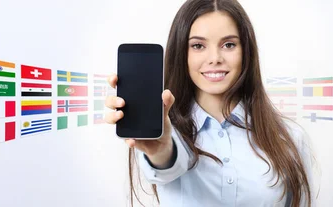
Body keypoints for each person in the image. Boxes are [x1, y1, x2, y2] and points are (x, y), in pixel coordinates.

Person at [105, 0, 320, 206]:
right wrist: (159, 150)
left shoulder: (290, 138)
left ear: (246, 51)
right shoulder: (165, 131)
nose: (215, 58)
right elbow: (167, 162)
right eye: (198, 45)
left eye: (228, 44)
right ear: (182, 53)